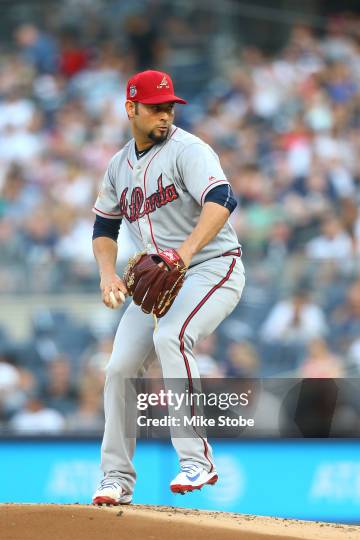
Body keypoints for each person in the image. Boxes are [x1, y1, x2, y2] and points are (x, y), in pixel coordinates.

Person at [91, 70, 245, 505]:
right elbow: (104, 226)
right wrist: (107, 273)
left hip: (212, 268)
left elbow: (223, 200)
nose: (164, 114)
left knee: (172, 336)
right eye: (155, 107)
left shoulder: (188, 150)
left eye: (169, 107)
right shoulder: (119, 165)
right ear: (131, 109)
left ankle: (197, 460)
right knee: (120, 367)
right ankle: (116, 479)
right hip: (155, 282)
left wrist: (186, 253)